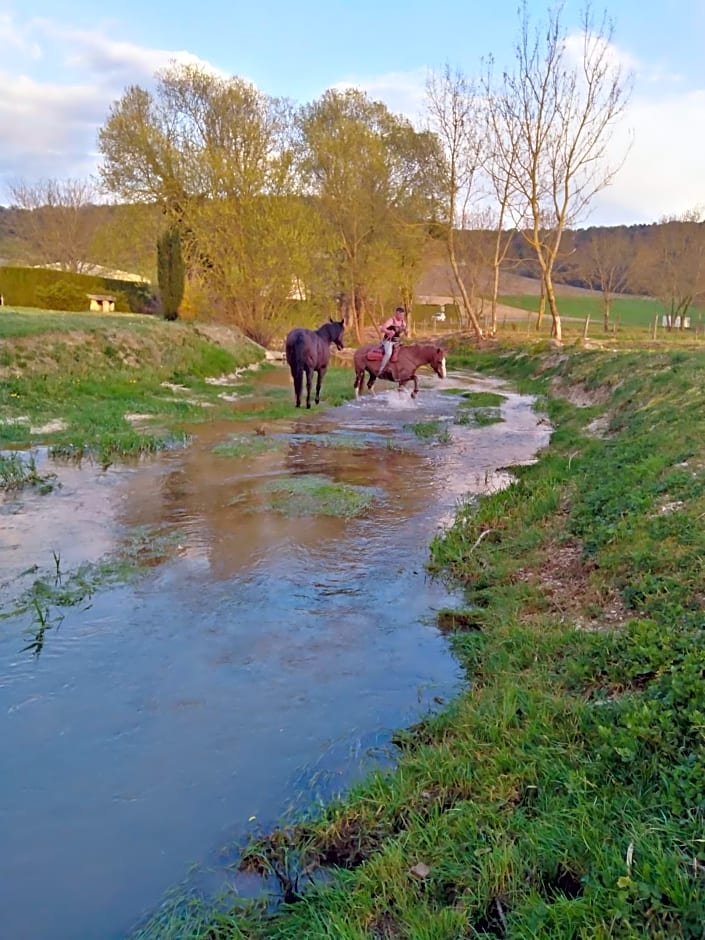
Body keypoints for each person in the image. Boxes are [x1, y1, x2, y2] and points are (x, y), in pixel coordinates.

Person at [378, 306, 407, 374]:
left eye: (403, 315)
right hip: (389, 341)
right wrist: (389, 332)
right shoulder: (391, 320)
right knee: (388, 353)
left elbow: (403, 332)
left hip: (397, 342)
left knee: (405, 353)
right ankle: (381, 369)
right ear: (397, 314)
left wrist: (405, 332)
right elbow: (382, 329)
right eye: (401, 315)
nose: (402, 316)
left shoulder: (403, 322)